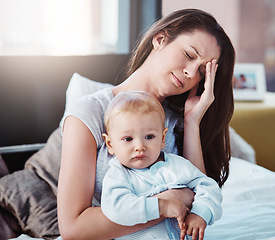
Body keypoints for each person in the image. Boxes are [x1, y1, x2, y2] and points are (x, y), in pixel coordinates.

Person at [58, 8, 235, 240]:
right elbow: (73, 228)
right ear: (160, 39)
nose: (191, 73)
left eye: (202, 71)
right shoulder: (90, 113)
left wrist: (192, 122)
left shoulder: (179, 121)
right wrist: (164, 205)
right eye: (190, 55)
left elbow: (197, 200)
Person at [100, 91, 222, 240]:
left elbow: (209, 186)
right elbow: (116, 209)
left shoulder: (176, 165)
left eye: (149, 137)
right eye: (128, 139)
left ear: (163, 138)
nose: (139, 146)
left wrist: (200, 212)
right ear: (110, 144)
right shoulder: (118, 175)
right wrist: (162, 206)